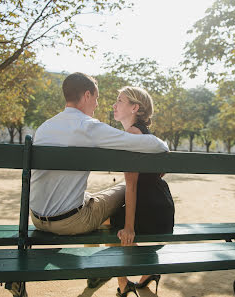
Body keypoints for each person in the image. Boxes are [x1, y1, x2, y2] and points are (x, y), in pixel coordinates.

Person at [29, 73, 169, 287]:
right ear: (86, 95)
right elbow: (155, 146)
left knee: (93, 199)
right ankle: (105, 267)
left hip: (37, 219)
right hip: (70, 222)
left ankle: (107, 271)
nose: (97, 104)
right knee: (124, 188)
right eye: (96, 97)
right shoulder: (89, 126)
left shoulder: (44, 127)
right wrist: (164, 146)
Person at [110, 86, 175, 297]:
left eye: (120, 100)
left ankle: (123, 283)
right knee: (110, 221)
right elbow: (162, 171)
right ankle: (146, 271)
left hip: (147, 210)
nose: (114, 105)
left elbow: (131, 184)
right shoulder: (147, 135)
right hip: (163, 208)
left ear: (135, 108)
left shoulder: (131, 134)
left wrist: (128, 227)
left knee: (106, 224)